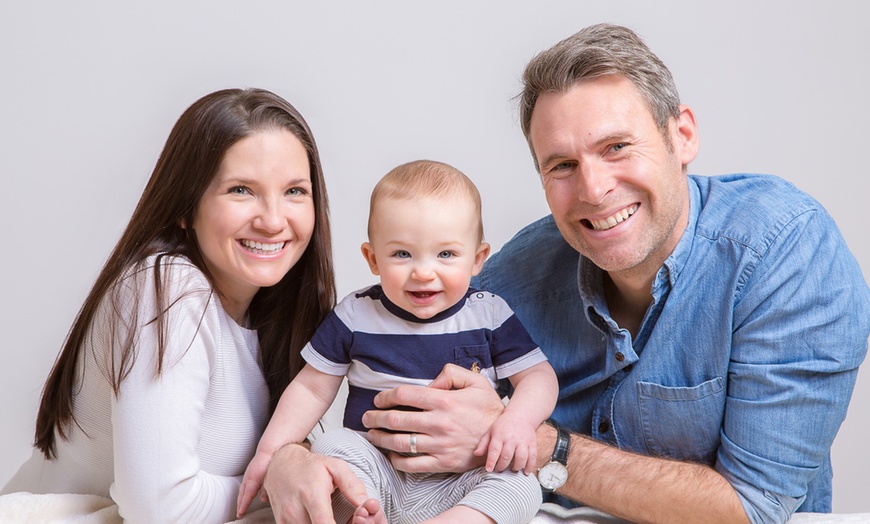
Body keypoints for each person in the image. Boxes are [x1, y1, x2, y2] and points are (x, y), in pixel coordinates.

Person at [262, 24, 870, 524]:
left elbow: (757, 506)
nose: (595, 189)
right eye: (561, 165)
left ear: (681, 134)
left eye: (616, 147)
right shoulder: (512, 279)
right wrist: (294, 457)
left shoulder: (784, 253)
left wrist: (539, 443)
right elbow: (425, 416)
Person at [1, 88, 340, 523]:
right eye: (241, 190)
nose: (273, 220)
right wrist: (278, 482)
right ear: (186, 208)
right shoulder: (166, 287)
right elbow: (159, 508)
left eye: (295, 191)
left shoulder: (272, 314)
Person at [239, 160, 558, 524]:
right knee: (332, 447)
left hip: (461, 478)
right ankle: (362, 511)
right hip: (377, 469)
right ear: (373, 258)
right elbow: (311, 390)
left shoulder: (488, 314)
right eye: (402, 254)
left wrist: (517, 419)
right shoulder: (356, 314)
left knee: (521, 483)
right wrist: (270, 451)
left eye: (446, 254)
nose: (423, 271)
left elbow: (538, 376)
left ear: (477, 259)